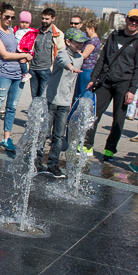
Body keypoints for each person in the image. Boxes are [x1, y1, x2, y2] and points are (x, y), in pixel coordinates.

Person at [84, 9, 138, 162]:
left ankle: (109, 149)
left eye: (137, 21)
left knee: (118, 120)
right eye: (132, 19)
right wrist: (94, 78)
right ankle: (87, 145)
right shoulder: (114, 35)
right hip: (106, 81)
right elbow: (102, 59)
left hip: (124, 84)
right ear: (126, 19)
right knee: (93, 114)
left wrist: (132, 90)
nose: (133, 23)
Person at [0, 3, 32, 151]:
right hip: (3, 73)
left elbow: (18, 49)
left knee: (12, 107)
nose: (9, 20)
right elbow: (4, 54)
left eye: (12, 17)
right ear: (0, 14)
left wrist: (25, 55)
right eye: (7, 16)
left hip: (17, 74)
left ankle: (7, 138)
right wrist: (24, 55)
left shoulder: (11, 31)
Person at [44, 28, 89, 178]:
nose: (80, 45)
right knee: (44, 133)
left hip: (64, 102)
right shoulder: (63, 53)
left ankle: (53, 164)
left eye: (82, 43)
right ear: (68, 41)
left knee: (58, 136)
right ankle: (37, 159)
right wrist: (71, 68)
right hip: (52, 100)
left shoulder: (80, 58)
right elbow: (64, 62)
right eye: (77, 42)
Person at [26, 8, 64, 99]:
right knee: (34, 96)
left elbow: (61, 52)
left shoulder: (58, 34)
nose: (44, 21)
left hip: (47, 69)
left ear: (53, 19)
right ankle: (34, 113)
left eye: (47, 19)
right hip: (33, 69)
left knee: (43, 97)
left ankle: (42, 113)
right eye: (43, 18)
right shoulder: (35, 32)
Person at [75, 17, 101, 101]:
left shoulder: (93, 41)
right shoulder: (90, 40)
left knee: (82, 95)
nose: (85, 32)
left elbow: (84, 55)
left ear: (92, 29)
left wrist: (74, 52)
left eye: (86, 29)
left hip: (87, 70)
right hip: (84, 69)